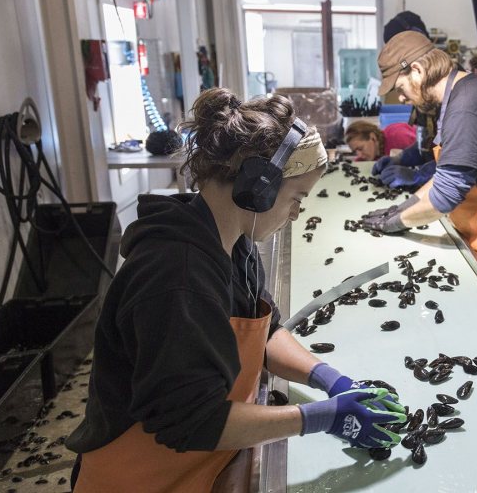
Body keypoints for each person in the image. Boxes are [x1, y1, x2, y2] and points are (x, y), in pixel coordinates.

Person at [66, 88, 405, 492]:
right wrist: (322, 417)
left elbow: (265, 332)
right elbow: (192, 421)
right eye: (297, 198)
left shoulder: (233, 244)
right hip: (142, 478)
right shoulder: (177, 276)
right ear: (259, 185)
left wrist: (328, 378)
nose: (297, 213)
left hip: (202, 467)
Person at [363, 31, 477, 302]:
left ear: (417, 70)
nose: (401, 98)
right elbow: (444, 176)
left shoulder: (465, 106)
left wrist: (395, 223)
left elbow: (446, 195)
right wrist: (400, 207)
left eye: (400, 88)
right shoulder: (462, 93)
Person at [374, 11, 438, 189]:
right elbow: (426, 146)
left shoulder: (450, 90)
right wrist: (400, 159)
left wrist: (418, 175)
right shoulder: (422, 88)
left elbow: (459, 162)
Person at [344, 120, 416, 161]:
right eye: (355, 151)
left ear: (373, 137)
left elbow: (424, 155)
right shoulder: (371, 154)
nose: (359, 155)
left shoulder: (398, 136)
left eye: (360, 148)